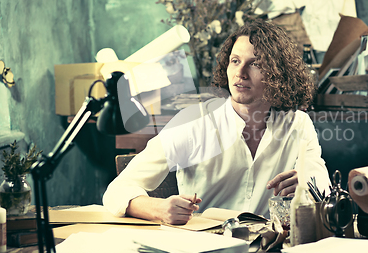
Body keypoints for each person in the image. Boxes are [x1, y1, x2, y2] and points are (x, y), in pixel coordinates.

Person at [103, 19, 331, 224]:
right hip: (203, 250)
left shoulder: (297, 124)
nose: (240, 73)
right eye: (235, 60)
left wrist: (308, 185)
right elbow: (116, 191)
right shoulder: (192, 123)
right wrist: (159, 208)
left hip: (267, 249)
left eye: (255, 64)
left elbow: (322, 184)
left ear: (277, 73)